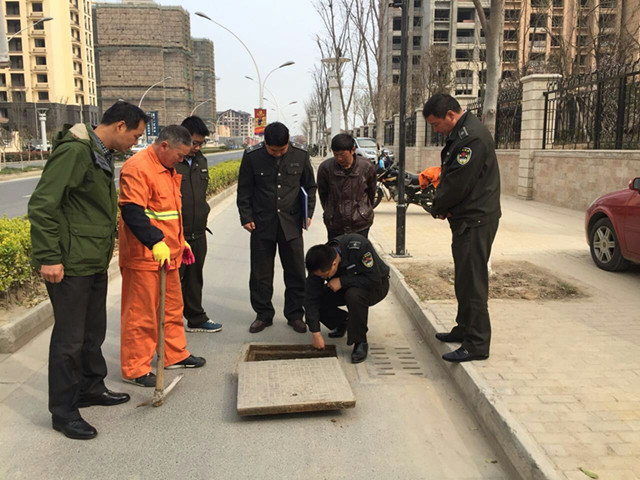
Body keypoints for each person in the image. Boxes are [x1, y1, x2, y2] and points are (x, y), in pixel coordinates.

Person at [28, 101, 149, 440]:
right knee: (69, 340)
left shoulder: (100, 153)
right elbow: (43, 204)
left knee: (93, 332)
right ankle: (64, 412)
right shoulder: (76, 151)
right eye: (135, 136)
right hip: (70, 263)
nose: (136, 142)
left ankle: (91, 387)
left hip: (92, 259)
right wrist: (49, 257)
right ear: (120, 126)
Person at [119, 125, 206, 387]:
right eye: (180, 155)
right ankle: (136, 368)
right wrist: (156, 242)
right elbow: (133, 212)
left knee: (171, 309)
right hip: (144, 256)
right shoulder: (138, 168)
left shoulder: (167, 168)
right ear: (164, 145)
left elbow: (168, 212)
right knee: (141, 314)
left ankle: (173, 354)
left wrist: (179, 242)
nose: (182, 160)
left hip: (169, 254)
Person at [422, 93, 501, 363]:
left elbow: (458, 183)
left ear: (451, 115)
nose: (436, 130)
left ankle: (477, 343)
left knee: (473, 282)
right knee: (464, 279)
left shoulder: (472, 138)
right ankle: (464, 328)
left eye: (436, 124)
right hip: (467, 218)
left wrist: (438, 206)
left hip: (476, 219)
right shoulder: (463, 132)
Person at [236, 122, 317, 334]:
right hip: (261, 223)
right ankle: (263, 314)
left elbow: (310, 186)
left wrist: (308, 213)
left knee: (296, 271)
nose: (278, 154)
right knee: (260, 273)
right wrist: (246, 216)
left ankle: (295, 314)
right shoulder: (252, 156)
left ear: (288, 140)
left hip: (292, 223)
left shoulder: (300, 155)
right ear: (265, 143)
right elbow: (244, 189)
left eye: (282, 149)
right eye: (273, 150)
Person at [304, 234, 390, 363]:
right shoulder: (320, 261)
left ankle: (360, 341)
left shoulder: (359, 247)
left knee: (353, 295)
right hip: (345, 286)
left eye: (325, 276)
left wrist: (342, 281)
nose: (323, 278)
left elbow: (374, 279)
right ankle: (342, 321)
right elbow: (311, 298)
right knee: (314, 297)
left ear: (334, 264)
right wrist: (315, 333)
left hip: (376, 287)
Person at [176, 116, 222, 333]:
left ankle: (196, 318)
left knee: (195, 278)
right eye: (194, 143)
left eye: (201, 143)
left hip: (198, 231)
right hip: (176, 234)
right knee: (173, 282)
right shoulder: (171, 161)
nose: (197, 148)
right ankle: (169, 325)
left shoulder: (201, 160)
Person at [317, 133, 377, 240]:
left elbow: (371, 193)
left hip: (360, 222)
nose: (339, 158)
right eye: (336, 155)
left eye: (343, 155)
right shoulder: (325, 168)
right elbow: (323, 194)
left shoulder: (366, 167)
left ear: (352, 150)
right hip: (335, 223)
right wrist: (331, 211)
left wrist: (363, 210)